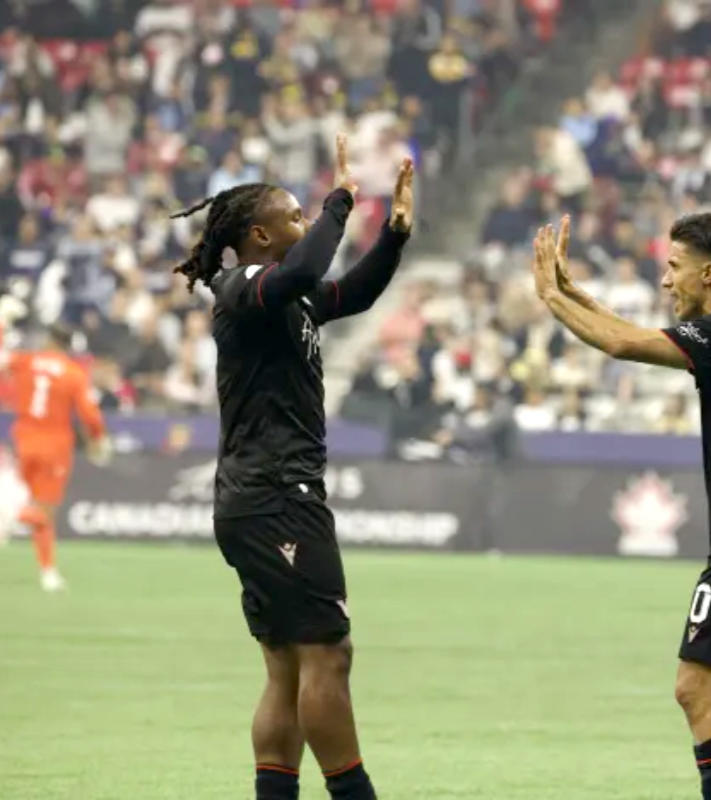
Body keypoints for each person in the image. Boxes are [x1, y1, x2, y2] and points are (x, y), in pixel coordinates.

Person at [531, 215, 711, 800]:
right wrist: (573, 290)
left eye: (674, 267)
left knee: (695, 689)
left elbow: (621, 342)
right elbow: (632, 329)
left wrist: (551, 298)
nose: (666, 281)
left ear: (709, 273)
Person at [171, 135, 413, 800]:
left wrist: (392, 236)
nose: (305, 224)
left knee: (285, 668)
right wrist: (340, 201)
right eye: (295, 218)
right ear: (259, 235)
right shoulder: (242, 285)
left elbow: (351, 292)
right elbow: (307, 270)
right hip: (278, 496)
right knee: (328, 657)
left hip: (262, 497)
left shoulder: (286, 299)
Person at [0, 296, 110, 592]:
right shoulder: (73, 373)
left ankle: (48, 572)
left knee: (41, 510)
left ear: (49, 340)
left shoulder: (26, 360)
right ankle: (9, 515)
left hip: (24, 441)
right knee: (45, 511)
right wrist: (99, 440)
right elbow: (90, 414)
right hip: (54, 446)